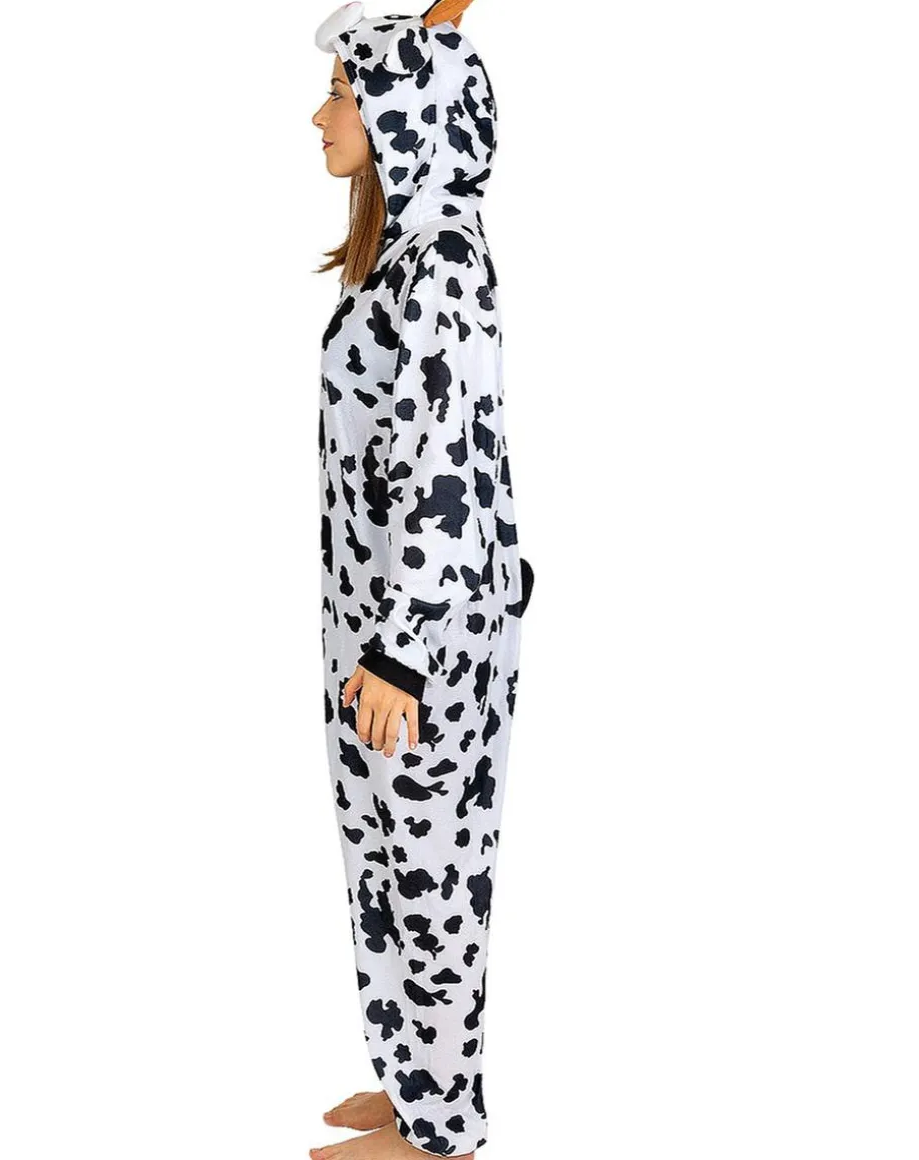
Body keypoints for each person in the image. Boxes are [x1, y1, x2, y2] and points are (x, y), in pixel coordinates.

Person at [309, 2, 533, 1156]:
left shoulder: (439, 265)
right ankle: (411, 1077)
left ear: (402, 108)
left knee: (433, 870)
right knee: (387, 859)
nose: (319, 116)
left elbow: (445, 461)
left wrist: (399, 648)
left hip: (420, 638)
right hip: (382, 629)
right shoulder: (403, 258)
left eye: (341, 93)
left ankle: (440, 1127)